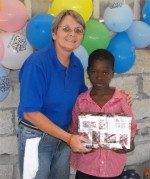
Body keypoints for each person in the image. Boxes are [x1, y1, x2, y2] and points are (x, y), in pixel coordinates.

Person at [17, 9, 133, 179]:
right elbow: (30, 112)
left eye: (78, 30)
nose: (72, 34)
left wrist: (114, 94)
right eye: (66, 29)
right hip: (36, 136)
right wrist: (69, 139)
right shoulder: (37, 64)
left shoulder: (76, 64)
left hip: (64, 136)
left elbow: (85, 95)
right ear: (54, 33)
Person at [69, 49, 137, 179]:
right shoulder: (81, 100)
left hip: (112, 168)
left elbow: (131, 128)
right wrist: (79, 143)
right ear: (88, 72)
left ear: (112, 73)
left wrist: (129, 145)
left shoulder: (122, 99)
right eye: (94, 72)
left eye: (105, 72)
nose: (99, 77)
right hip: (86, 167)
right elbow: (74, 129)